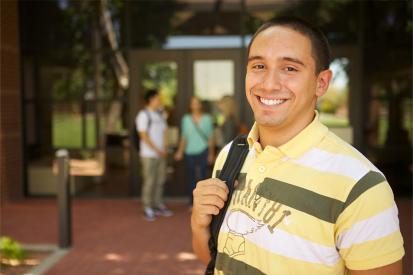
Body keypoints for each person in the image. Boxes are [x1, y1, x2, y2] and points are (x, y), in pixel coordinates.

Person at [191, 17, 404, 274]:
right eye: (259, 66)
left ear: (321, 83)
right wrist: (198, 225)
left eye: (290, 69)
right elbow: (216, 261)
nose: (268, 84)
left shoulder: (361, 187)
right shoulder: (231, 156)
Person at [136, 89, 173, 221]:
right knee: (149, 181)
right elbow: (143, 136)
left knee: (160, 180)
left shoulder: (159, 115)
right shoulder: (143, 115)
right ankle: (147, 207)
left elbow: (164, 132)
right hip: (149, 155)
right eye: (158, 99)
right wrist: (157, 150)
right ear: (151, 99)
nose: (160, 101)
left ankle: (157, 204)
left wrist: (165, 147)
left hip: (161, 154)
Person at [174, 97, 215, 206]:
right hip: (189, 152)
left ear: (200, 105)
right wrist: (180, 151)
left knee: (203, 178)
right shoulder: (186, 119)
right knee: (191, 178)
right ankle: (192, 203)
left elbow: (211, 137)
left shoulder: (207, 118)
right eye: (193, 103)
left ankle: (203, 203)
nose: (195, 105)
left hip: (203, 150)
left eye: (197, 103)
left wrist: (211, 154)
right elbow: (184, 137)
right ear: (190, 106)